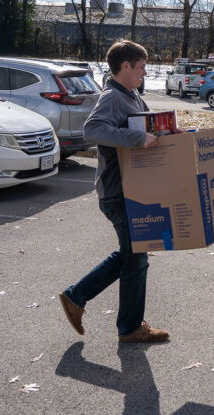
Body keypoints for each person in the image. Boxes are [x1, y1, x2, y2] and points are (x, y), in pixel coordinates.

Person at [59, 40, 173, 342]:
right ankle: (129, 327)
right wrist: (137, 139)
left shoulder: (133, 95)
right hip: (117, 191)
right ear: (125, 67)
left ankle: (77, 297)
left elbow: (144, 126)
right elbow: (92, 130)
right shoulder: (111, 96)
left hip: (133, 189)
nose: (145, 72)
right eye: (141, 67)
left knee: (133, 254)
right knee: (136, 256)